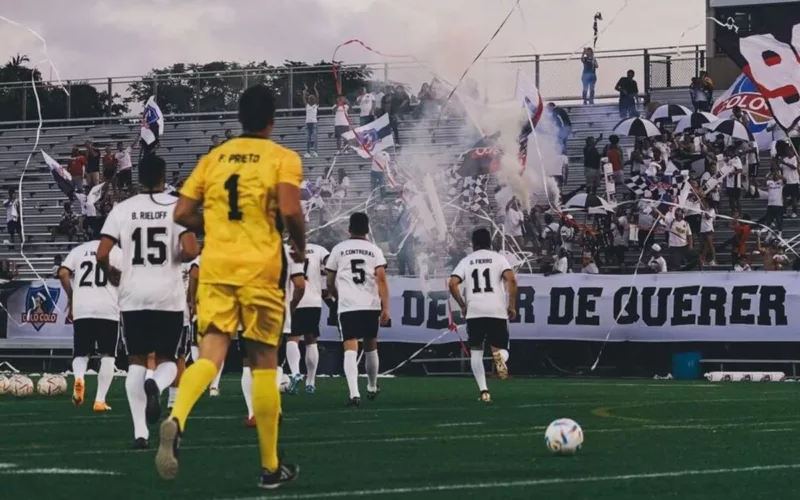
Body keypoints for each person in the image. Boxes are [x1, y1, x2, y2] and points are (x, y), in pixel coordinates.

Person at [157, 85, 306, 488]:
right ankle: (271, 467)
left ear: (240, 118)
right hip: (261, 267)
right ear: (272, 120)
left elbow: (183, 212)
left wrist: (217, 227)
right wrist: (300, 243)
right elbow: (291, 208)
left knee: (210, 353)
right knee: (262, 361)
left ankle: (178, 416)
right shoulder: (282, 158)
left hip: (218, 267)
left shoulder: (214, 158)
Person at [96, 154, 199, 449]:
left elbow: (102, 254)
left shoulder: (123, 208)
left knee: (136, 362)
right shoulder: (178, 206)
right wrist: (178, 255)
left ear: (140, 178)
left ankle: (140, 433)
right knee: (168, 360)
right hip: (168, 295)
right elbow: (191, 251)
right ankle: (158, 385)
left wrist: (112, 274)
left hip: (133, 294)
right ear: (164, 176)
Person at [325, 212, 390, 407]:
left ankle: (354, 393)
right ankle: (371, 385)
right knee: (371, 346)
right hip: (370, 304)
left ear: (349, 229)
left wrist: (336, 295)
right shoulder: (374, 250)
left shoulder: (339, 249)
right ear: (368, 230)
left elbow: (329, 281)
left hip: (348, 305)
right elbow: (381, 279)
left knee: (350, 347)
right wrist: (385, 307)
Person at [448, 228, 517, 402]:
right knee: (501, 349)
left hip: (475, 310)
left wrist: (463, 305)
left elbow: (452, 283)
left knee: (476, 352)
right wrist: (512, 305)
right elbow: (512, 280)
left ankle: (484, 391)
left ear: (473, 244)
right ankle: (499, 359)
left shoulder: (466, 261)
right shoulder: (499, 259)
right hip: (496, 310)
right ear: (490, 242)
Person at [58, 235, 122, 413]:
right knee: (108, 355)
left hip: (82, 306)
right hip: (107, 307)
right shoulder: (117, 253)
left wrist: (71, 296)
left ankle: (79, 378)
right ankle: (100, 400)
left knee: (81, 351)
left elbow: (63, 273)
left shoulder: (78, 250)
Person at [285, 242, 329, 394]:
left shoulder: (285, 249)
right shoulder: (318, 249)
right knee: (311, 341)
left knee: (292, 338)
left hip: (294, 298)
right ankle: (311, 382)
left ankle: (296, 373)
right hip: (314, 301)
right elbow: (330, 265)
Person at [777, 141, 799, 218]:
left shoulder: (795, 158)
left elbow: (794, 167)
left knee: (794, 199)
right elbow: (781, 168)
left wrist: (785, 163)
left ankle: (794, 212)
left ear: (791, 151)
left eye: (788, 151)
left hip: (794, 181)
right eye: (786, 151)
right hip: (786, 182)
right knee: (785, 198)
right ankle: (784, 212)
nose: (787, 152)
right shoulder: (785, 159)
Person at [724, 146, 744, 214]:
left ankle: (739, 212)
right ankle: (733, 212)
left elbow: (740, 169)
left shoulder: (737, 159)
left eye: (728, 151)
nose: (727, 152)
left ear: (731, 151)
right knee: (730, 199)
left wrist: (733, 173)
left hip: (735, 183)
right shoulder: (729, 160)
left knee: (736, 199)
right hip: (729, 183)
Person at [302, 83, 319, 158]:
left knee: (315, 138)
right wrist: (305, 89)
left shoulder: (316, 105)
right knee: (308, 138)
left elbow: (318, 96)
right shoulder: (307, 105)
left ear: (314, 99)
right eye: (310, 98)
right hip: (308, 123)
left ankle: (315, 152)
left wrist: (315, 88)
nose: (311, 99)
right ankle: (308, 152)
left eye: (313, 98)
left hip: (314, 123)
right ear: (308, 100)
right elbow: (303, 97)